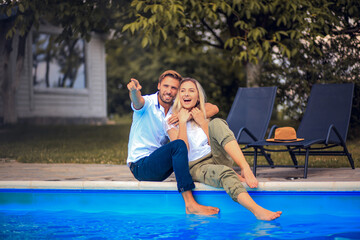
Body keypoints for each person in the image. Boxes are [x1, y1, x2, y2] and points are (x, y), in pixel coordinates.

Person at [165, 77, 282, 221]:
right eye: (182, 91)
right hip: (196, 165)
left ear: (197, 97)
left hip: (215, 156)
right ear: (178, 96)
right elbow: (182, 150)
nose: (186, 94)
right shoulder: (171, 120)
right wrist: (182, 121)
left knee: (217, 123)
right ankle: (257, 210)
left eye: (191, 90)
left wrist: (202, 121)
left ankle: (244, 167)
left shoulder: (201, 113)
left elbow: (213, 139)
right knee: (225, 172)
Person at [127, 70, 220, 215]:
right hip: (141, 165)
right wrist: (134, 91)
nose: (169, 91)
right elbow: (137, 101)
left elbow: (213, 108)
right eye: (166, 86)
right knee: (178, 145)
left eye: (174, 88)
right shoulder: (148, 103)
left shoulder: (175, 109)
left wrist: (186, 116)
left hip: (160, 164)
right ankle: (190, 204)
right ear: (158, 86)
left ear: (177, 92)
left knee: (184, 145)